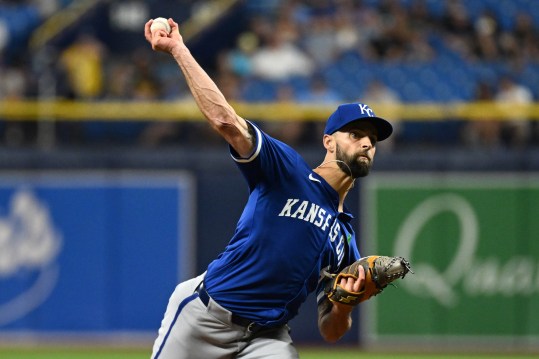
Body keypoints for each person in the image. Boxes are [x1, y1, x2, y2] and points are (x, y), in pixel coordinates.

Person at [145, 18, 393, 359]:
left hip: (267, 339)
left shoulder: (345, 239)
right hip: (205, 318)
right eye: (356, 135)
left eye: (372, 139)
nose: (366, 143)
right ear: (328, 141)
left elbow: (330, 330)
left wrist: (345, 306)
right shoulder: (287, 170)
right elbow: (226, 122)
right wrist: (178, 49)